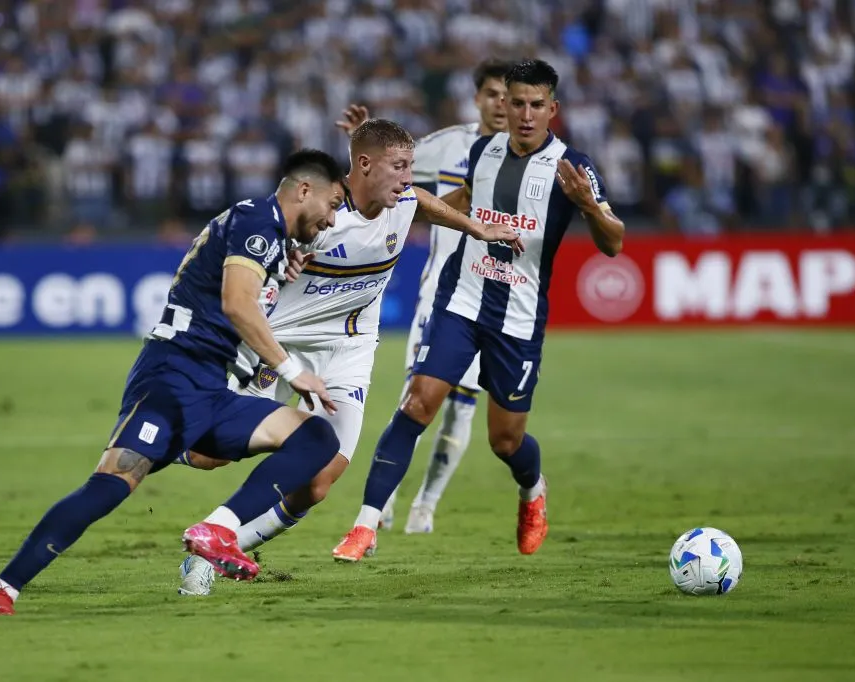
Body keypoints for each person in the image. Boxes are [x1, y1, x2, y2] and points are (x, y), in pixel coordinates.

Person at [0, 149, 347, 614]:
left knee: (315, 437)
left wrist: (276, 278)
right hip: (173, 377)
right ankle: (1, 589)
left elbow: (237, 296)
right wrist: (292, 371)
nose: (332, 219)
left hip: (211, 387)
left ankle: (218, 529)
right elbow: (236, 303)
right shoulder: (257, 222)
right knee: (109, 486)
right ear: (304, 190)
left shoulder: (266, 236)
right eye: (333, 204)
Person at [176, 119, 522, 596]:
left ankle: (212, 551)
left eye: (411, 167)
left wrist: (475, 227)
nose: (407, 179)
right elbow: (266, 252)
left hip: (348, 351)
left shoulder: (402, 202)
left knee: (318, 483)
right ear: (364, 164)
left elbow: (422, 202)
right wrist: (285, 260)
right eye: (399, 167)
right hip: (282, 346)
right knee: (209, 455)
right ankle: (168, 438)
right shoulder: (322, 213)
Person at [332, 59, 625, 562]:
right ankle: (365, 525)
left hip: (518, 317)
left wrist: (591, 207)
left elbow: (614, 243)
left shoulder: (572, 167)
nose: (526, 115)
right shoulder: (482, 150)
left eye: (537, 105)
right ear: (503, 105)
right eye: (518, 103)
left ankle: (532, 490)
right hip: (461, 299)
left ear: (552, 109)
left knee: (505, 441)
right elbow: (465, 199)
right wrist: (399, 214)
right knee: (416, 404)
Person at [382, 57, 512, 535]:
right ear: (477, 98)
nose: (501, 104)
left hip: (491, 295)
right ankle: (384, 498)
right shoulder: (445, 146)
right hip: (440, 290)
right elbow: (390, 180)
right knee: (415, 396)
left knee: (461, 406)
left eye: (510, 96)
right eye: (493, 94)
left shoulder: (532, 158)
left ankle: (426, 505)